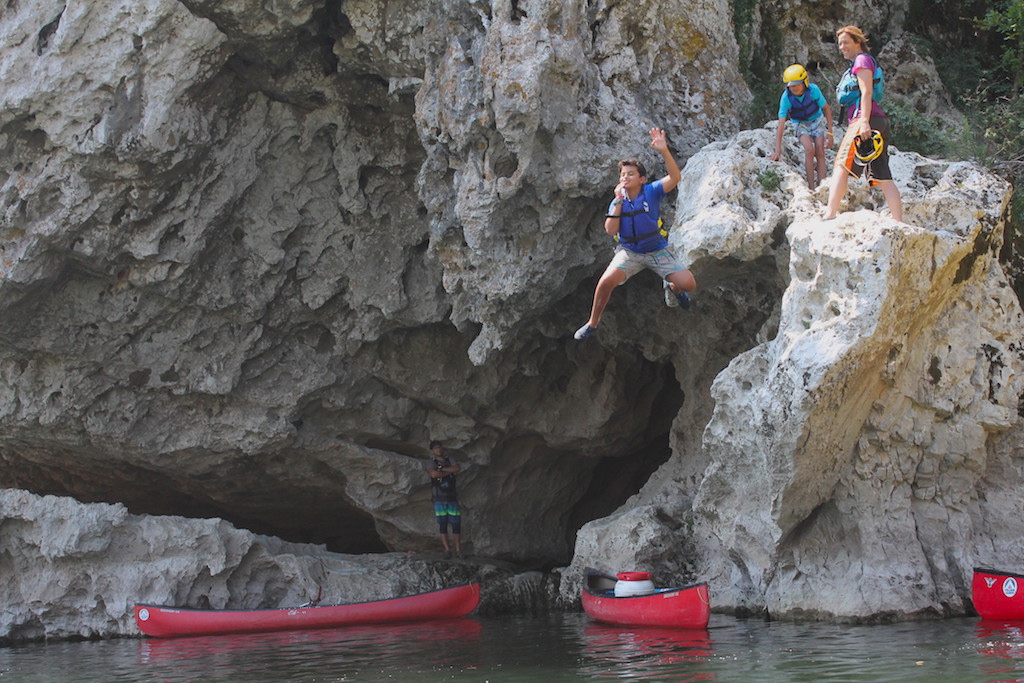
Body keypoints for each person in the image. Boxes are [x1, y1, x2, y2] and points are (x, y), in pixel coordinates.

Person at [574, 127, 697, 341]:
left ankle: (675, 289)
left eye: (631, 174)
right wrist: (619, 201)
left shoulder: (651, 191)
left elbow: (675, 177)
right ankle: (592, 324)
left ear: (641, 179)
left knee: (689, 284)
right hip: (630, 251)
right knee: (605, 282)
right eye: (623, 175)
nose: (626, 177)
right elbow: (610, 230)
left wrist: (664, 150)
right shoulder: (618, 201)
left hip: (657, 249)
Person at [824, 25, 903, 222]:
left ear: (858, 42)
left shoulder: (862, 60)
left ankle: (829, 214)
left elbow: (866, 92)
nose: (842, 47)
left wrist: (864, 123)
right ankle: (898, 221)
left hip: (865, 119)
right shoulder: (863, 61)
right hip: (879, 120)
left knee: (841, 165)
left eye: (846, 42)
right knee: (882, 175)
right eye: (840, 43)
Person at [768, 64, 834, 189]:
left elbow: (826, 109)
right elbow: (781, 123)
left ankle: (823, 185)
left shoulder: (813, 90)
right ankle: (811, 187)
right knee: (809, 150)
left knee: (820, 150)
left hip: (816, 120)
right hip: (799, 123)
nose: (794, 88)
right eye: (791, 85)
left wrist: (830, 133)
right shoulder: (786, 97)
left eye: (797, 84)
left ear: (805, 81)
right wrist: (777, 151)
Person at [427, 440, 462, 558]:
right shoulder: (431, 462)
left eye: (439, 447)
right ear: (432, 451)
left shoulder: (449, 459)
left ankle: (458, 550)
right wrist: (448, 470)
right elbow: (434, 474)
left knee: (456, 524)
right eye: (436, 448)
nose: (438, 450)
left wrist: (442, 470)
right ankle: (448, 550)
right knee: (443, 524)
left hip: (451, 497)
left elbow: (457, 468)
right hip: (439, 498)